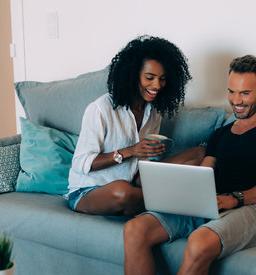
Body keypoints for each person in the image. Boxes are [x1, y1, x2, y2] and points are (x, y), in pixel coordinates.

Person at [123, 55, 256, 275]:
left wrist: (236, 199)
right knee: (135, 229)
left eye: (244, 93)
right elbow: (205, 172)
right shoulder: (222, 133)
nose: (236, 100)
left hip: (254, 208)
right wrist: (177, 187)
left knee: (199, 242)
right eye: (231, 91)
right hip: (210, 202)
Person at [67, 36, 200, 216]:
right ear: (132, 74)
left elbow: (140, 163)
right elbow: (81, 163)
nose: (157, 85)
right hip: (88, 191)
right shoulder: (101, 109)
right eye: (149, 77)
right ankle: (174, 199)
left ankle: (164, 198)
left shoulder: (154, 112)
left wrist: (151, 159)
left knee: (198, 153)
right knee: (122, 192)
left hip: (132, 183)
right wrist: (130, 151)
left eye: (162, 79)